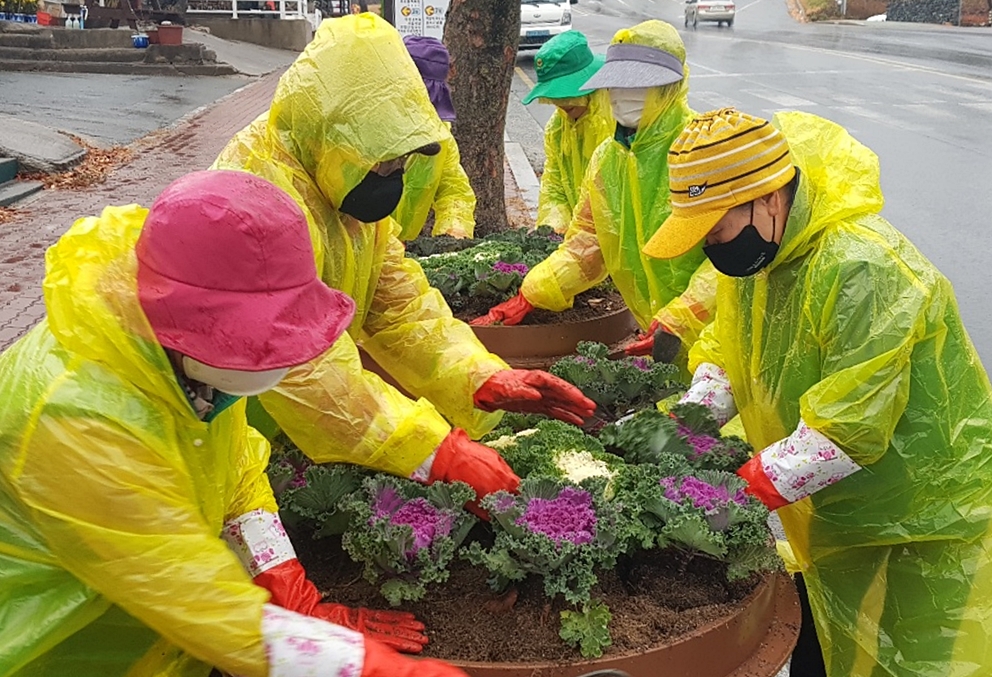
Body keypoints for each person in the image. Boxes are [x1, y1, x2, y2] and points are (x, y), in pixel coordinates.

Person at [0, 170, 466, 677]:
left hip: (156, 644)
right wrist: (352, 663)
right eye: (256, 344)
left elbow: (232, 465)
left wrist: (279, 572)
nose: (272, 359)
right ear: (188, 316)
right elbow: (182, 586)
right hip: (54, 649)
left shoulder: (185, 362)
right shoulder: (74, 415)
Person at [644, 107, 992, 677]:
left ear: (769, 199)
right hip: (832, 511)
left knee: (910, 660)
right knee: (828, 651)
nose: (711, 247)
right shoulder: (764, 263)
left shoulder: (864, 269)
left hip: (917, 517)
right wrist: (690, 425)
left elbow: (846, 431)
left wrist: (721, 496)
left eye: (716, 229)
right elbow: (726, 352)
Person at [213, 14, 594, 508]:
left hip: (312, 428)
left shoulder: (340, 182)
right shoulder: (249, 200)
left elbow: (401, 309)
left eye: (401, 162)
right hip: (233, 427)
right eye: (385, 162)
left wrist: (481, 377)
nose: (393, 176)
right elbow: (298, 367)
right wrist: (435, 452)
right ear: (336, 135)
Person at [472, 20, 717, 364]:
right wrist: (531, 293)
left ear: (672, 87)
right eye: (616, 84)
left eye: (639, 85)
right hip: (658, 330)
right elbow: (588, 242)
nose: (623, 95)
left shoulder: (707, 149)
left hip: (720, 338)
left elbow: (732, 262)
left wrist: (684, 316)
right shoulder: (610, 159)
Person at [521, 30, 614, 235]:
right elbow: (554, 184)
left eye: (569, 103)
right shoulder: (557, 128)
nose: (562, 109)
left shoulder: (618, 122)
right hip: (580, 238)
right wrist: (554, 225)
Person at [393, 35, 477, 241]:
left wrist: (453, 230)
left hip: (398, 248)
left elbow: (453, 188)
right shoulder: (363, 125)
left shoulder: (439, 134)